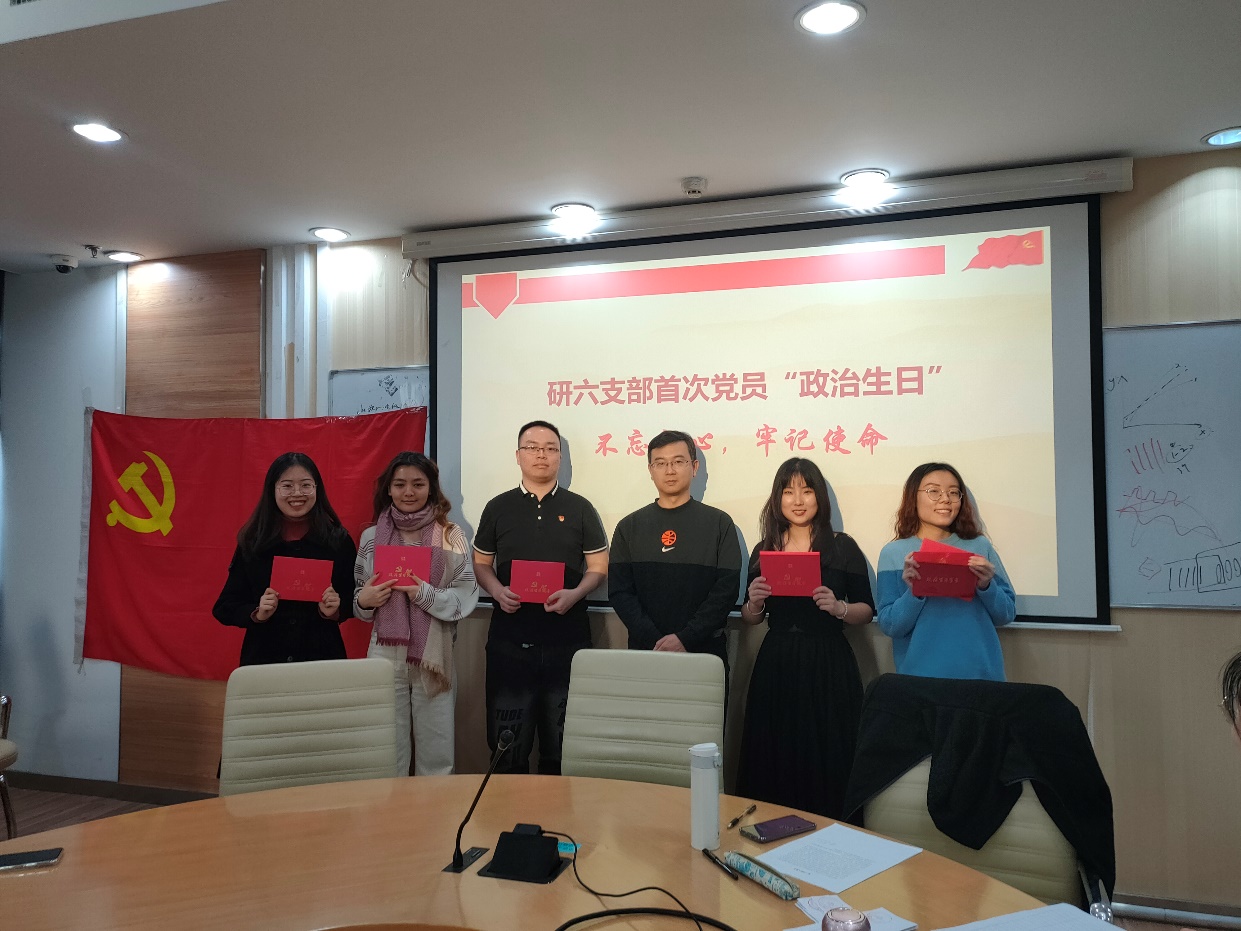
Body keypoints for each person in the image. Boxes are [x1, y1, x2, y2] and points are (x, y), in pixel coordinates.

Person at [735, 457, 874, 819]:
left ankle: (831, 832)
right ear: (777, 498)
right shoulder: (764, 549)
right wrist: (754, 603)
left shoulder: (842, 547)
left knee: (829, 748)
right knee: (775, 749)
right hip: (777, 660)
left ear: (819, 497)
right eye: (788, 491)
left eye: (807, 490)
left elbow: (867, 610)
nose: (797, 500)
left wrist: (839, 608)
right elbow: (751, 618)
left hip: (828, 661)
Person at [472, 421, 608, 774]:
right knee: (507, 747)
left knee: (562, 747)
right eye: (532, 447)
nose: (541, 454)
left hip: (568, 642)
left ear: (560, 457)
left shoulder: (580, 507)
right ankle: (508, 808)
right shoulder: (498, 507)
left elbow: (598, 566)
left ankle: (560, 810)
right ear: (518, 456)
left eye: (550, 448)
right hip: (509, 643)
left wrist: (575, 594)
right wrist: (496, 590)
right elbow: (481, 563)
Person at [353, 452, 479, 776]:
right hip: (384, 649)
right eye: (400, 484)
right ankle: (390, 805)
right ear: (389, 489)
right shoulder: (371, 537)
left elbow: (466, 596)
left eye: (418, 484)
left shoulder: (451, 535)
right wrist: (364, 601)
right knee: (387, 747)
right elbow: (360, 601)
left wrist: (424, 594)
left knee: (437, 750)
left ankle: (435, 809)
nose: (408, 492)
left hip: (433, 650)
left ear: (431, 488)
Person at [609, 430, 741, 675]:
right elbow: (620, 592)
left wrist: (686, 638)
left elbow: (727, 589)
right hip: (646, 652)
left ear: (694, 467)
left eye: (678, 461)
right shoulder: (629, 526)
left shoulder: (719, 524)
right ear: (650, 470)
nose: (669, 470)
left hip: (704, 652)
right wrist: (656, 641)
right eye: (660, 463)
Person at [875, 461, 1015, 681]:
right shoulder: (893, 553)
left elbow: (1006, 614)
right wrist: (914, 593)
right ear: (913, 497)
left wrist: (987, 586)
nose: (945, 499)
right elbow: (890, 625)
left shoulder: (979, 546)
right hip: (921, 679)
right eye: (933, 491)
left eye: (953, 492)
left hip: (981, 676)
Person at [213, 451, 357, 666]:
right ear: (272, 490)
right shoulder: (254, 540)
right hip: (265, 658)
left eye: (306, 485)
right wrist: (257, 613)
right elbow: (225, 606)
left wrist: (336, 609)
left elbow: (356, 599)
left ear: (317, 488)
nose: (297, 493)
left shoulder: (338, 540)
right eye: (287, 486)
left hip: (321, 658)